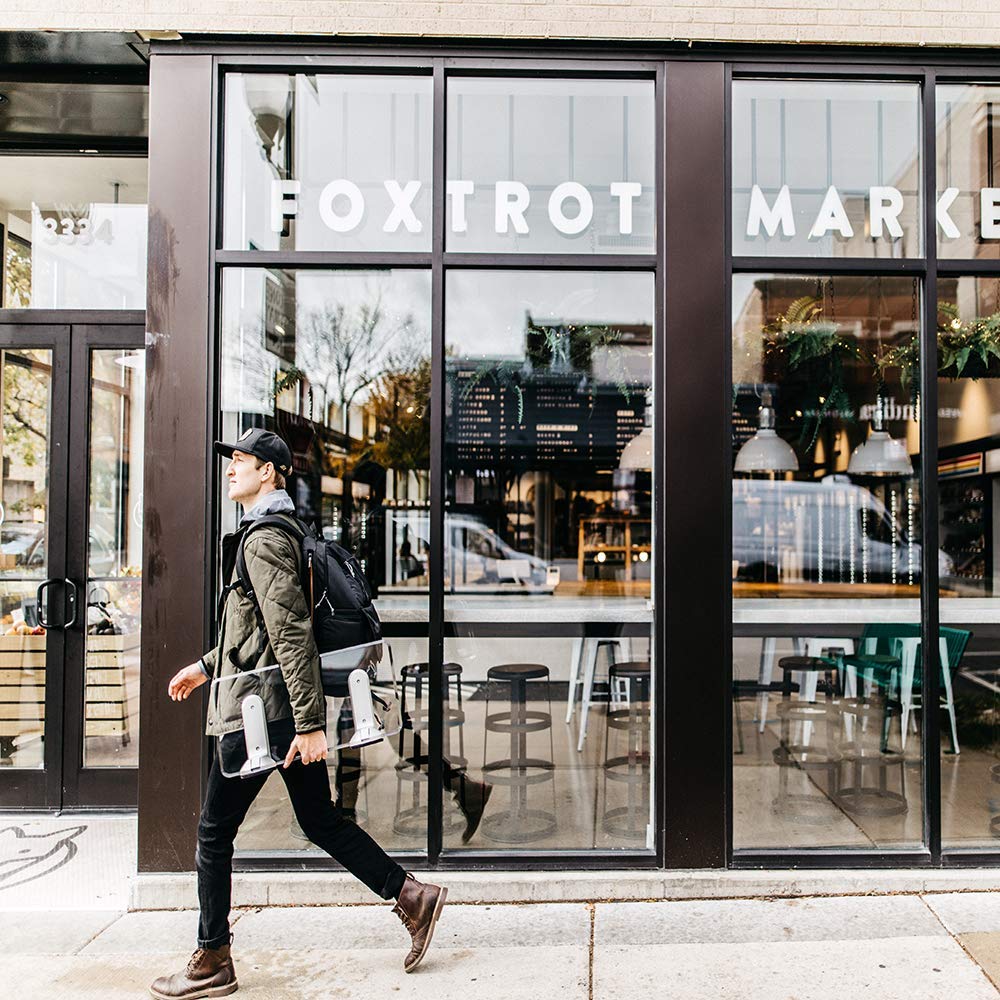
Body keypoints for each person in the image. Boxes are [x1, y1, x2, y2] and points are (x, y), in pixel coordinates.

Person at [149, 428, 447, 1000]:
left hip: (260, 715)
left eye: (240, 461)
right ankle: (413, 897)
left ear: (268, 472)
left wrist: (310, 725)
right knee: (320, 820)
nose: (230, 468)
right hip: (276, 706)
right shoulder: (282, 531)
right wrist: (205, 667)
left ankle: (212, 958)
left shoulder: (263, 540)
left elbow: (290, 635)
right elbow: (257, 632)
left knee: (213, 833)